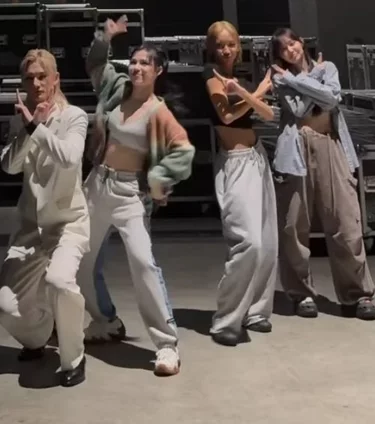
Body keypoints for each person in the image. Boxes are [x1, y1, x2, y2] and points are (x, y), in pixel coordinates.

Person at [78, 16, 195, 376]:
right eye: (133, 61)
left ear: (158, 70)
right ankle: (105, 320)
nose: (137, 67)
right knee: (80, 259)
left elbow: (183, 151)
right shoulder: (117, 89)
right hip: (97, 184)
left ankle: (166, 344)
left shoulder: (159, 111)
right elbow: (95, 64)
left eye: (145, 63)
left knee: (144, 264)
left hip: (130, 194)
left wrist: (159, 178)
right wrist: (105, 36)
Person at [0, 49, 89, 387]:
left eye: (42, 76)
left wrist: (37, 127)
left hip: (68, 222)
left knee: (59, 281)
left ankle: (73, 358)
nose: (35, 84)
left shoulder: (75, 116)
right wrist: (28, 127)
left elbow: (70, 157)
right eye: (29, 78)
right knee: (4, 307)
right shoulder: (20, 120)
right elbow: (9, 165)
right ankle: (39, 336)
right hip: (30, 228)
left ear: (55, 79)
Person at [269, 28, 375, 320]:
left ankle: (358, 294)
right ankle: (301, 293)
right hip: (296, 149)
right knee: (294, 225)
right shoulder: (279, 78)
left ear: (301, 42)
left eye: (292, 43)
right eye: (283, 49)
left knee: (345, 221)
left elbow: (331, 101)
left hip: (330, 144)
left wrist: (298, 80)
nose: (290, 50)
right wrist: (311, 84)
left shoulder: (326, 68)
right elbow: (299, 108)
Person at [202, 21, 278, 346]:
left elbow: (269, 115)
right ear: (211, 48)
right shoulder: (210, 77)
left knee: (268, 243)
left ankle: (257, 312)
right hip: (234, 163)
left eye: (231, 43)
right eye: (220, 44)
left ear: (239, 45)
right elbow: (227, 116)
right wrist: (257, 93)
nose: (226, 50)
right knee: (249, 242)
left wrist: (249, 93)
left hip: (257, 158)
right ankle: (226, 320)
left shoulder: (240, 77)